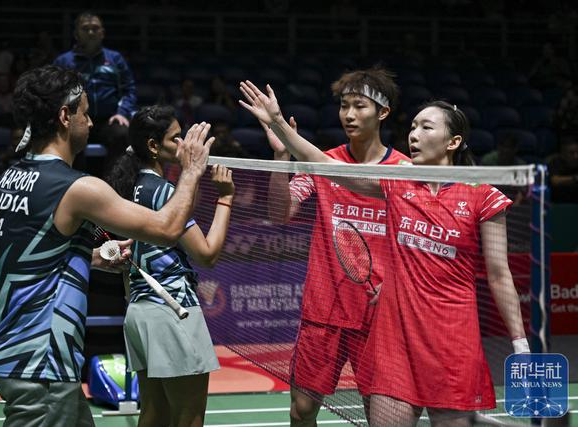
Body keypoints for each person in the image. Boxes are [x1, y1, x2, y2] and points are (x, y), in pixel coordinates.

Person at [240, 82, 529, 426]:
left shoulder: (481, 194)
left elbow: (499, 274)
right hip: (391, 338)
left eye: (426, 128)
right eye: (413, 127)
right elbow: (326, 167)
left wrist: (520, 343)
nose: (414, 135)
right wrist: (279, 126)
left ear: (453, 142)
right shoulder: (397, 181)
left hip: (449, 340)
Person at [0, 65, 212, 427]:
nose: (91, 124)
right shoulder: (75, 188)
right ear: (64, 116)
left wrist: (91, 257)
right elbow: (168, 228)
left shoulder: (8, 178)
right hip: (41, 360)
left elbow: (28, 256)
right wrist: (192, 171)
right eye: (85, 113)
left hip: (10, 351)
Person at [260, 67, 410, 427]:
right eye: (344, 106)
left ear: (383, 112)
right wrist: (281, 158)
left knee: (381, 415)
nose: (349, 115)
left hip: (377, 313)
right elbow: (280, 213)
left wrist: (396, 287)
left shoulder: (405, 169)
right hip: (323, 309)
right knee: (301, 411)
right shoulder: (321, 162)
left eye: (360, 106)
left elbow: (415, 245)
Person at [104, 105, 234, 427]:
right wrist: (226, 197)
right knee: (188, 420)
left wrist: (192, 176)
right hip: (172, 310)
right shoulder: (162, 191)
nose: (183, 144)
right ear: (153, 146)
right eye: (176, 138)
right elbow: (207, 254)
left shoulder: (132, 186)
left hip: (139, 312)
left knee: (154, 415)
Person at [54, 11, 137, 168]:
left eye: (95, 28)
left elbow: (128, 90)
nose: (91, 32)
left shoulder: (115, 59)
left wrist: (122, 112)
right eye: (85, 29)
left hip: (109, 119)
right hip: (76, 119)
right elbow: (56, 93)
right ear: (76, 34)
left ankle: (115, 181)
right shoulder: (63, 61)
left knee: (121, 134)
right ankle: (74, 180)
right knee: (69, 135)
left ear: (102, 33)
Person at [547, 135, 578, 203]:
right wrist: (575, 178)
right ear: (563, 154)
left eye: (577, 152)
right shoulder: (555, 162)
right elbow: (555, 181)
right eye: (571, 153)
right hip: (559, 202)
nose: (576, 156)